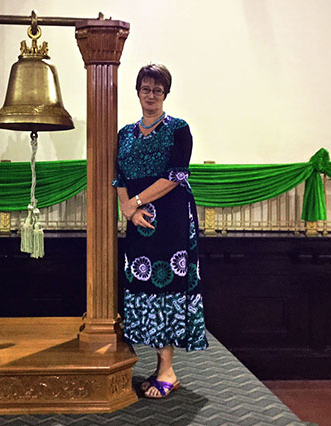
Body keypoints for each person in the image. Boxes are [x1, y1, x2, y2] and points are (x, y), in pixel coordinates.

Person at [113, 64, 208, 399]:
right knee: (142, 286)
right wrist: (129, 209)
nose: (150, 95)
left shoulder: (179, 129)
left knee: (166, 286)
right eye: (145, 89)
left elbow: (175, 177)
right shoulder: (125, 133)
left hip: (170, 221)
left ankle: (167, 370)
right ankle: (158, 366)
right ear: (137, 91)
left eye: (157, 90)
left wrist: (136, 202)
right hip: (139, 223)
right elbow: (119, 178)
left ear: (165, 94)